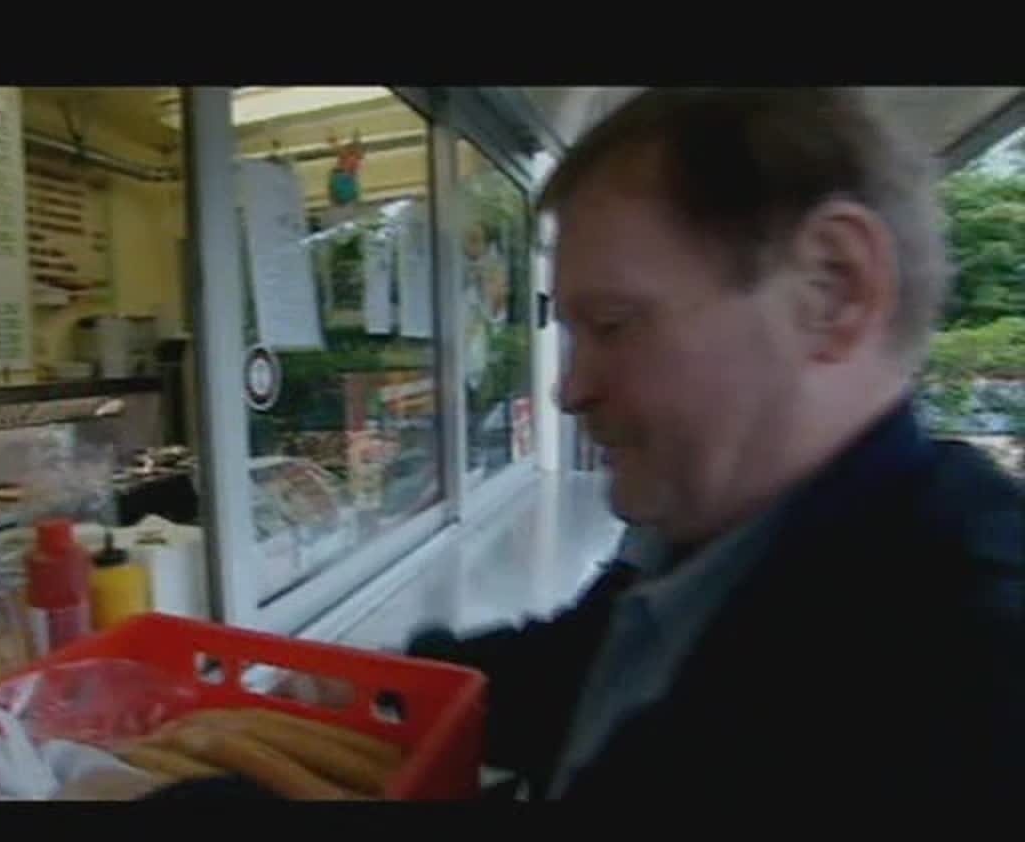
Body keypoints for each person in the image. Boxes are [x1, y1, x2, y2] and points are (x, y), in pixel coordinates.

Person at [408, 88, 1025, 803]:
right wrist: (378, 692)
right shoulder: (719, 533)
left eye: (613, 324)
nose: (570, 390)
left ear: (834, 288)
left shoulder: (972, 690)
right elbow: (575, 676)